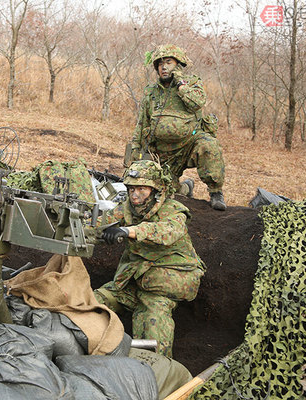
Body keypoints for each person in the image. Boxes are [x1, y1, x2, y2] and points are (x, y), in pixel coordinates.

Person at [95, 160, 205, 357]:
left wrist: (129, 231)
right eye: (131, 189)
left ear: (156, 190)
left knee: (151, 328)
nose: (135, 195)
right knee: (93, 302)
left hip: (164, 285)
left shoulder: (173, 211)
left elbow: (167, 232)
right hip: (131, 282)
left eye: (142, 189)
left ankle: (152, 371)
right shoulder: (128, 207)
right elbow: (100, 222)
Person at [124, 44, 227, 211]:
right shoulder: (151, 92)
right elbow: (142, 123)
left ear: (178, 64)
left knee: (209, 145)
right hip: (163, 152)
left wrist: (180, 84)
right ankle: (186, 188)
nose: (164, 67)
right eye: (160, 64)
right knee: (166, 192)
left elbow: (197, 103)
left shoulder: (192, 83)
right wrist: (135, 150)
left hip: (190, 144)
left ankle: (216, 192)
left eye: (169, 62)